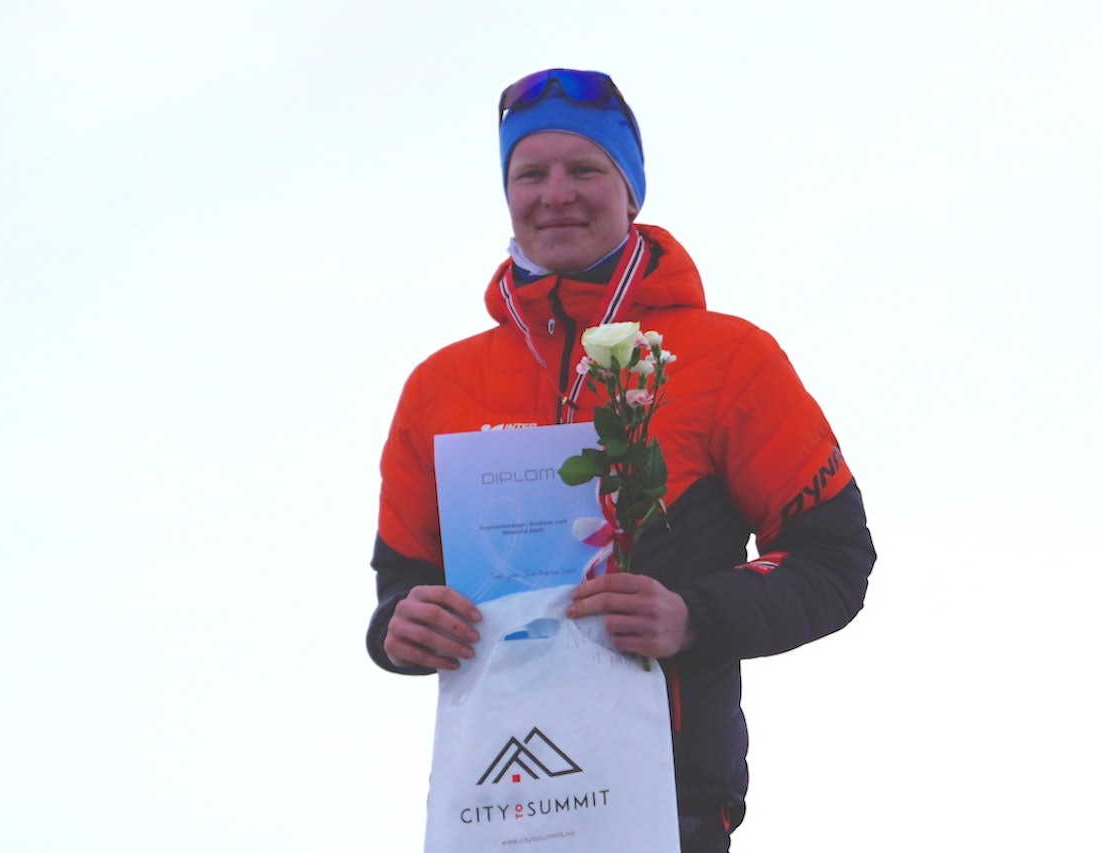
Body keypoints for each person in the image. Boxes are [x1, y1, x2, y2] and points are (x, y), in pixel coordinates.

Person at [366, 68, 876, 853]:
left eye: (586, 169)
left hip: (668, 798)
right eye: (530, 173)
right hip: (497, 800)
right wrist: (400, 627)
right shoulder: (439, 386)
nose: (556, 192)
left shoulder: (730, 357)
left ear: (631, 191)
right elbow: (402, 584)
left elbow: (834, 559)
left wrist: (693, 614)